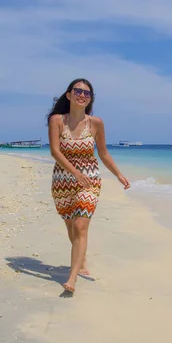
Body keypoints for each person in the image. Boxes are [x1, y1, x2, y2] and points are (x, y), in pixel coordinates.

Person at [47, 78, 130, 294]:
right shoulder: (57, 120)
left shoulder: (96, 123)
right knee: (70, 226)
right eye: (78, 91)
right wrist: (74, 173)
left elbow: (103, 153)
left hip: (89, 180)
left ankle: (72, 277)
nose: (82, 95)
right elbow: (55, 151)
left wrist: (119, 174)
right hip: (63, 181)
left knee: (80, 226)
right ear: (69, 95)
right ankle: (81, 260)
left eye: (87, 93)